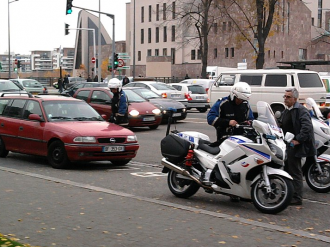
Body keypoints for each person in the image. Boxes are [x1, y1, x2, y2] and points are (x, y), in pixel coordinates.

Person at [278, 88, 316, 206]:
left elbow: (307, 127)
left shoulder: (300, 110)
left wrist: (298, 140)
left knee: (295, 170)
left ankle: (297, 197)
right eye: (284, 96)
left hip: (297, 145)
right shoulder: (287, 110)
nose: (285, 99)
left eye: (288, 97)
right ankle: (289, 193)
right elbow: (281, 123)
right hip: (287, 143)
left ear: (295, 99)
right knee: (288, 169)